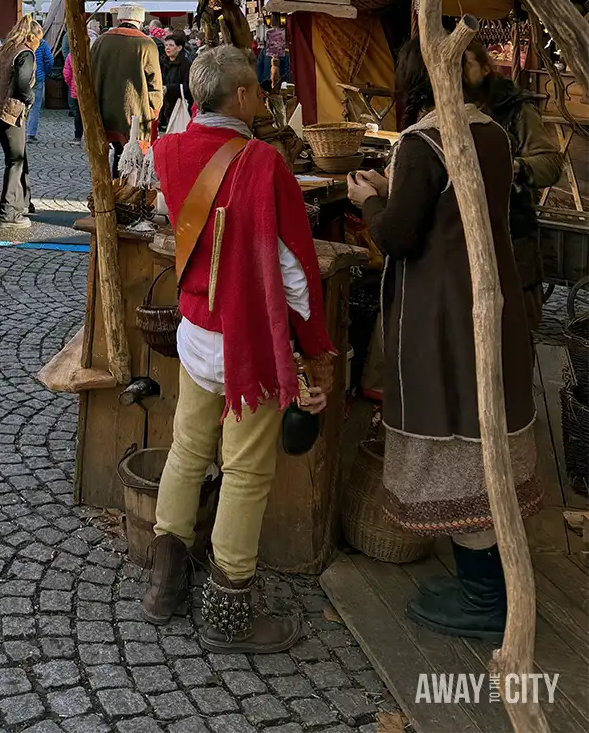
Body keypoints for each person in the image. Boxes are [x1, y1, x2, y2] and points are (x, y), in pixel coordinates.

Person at [346, 37, 542, 640]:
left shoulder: (427, 141)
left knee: (459, 435)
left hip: (448, 315)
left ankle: (485, 597)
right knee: (481, 438)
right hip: (490, 305)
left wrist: (370, 197)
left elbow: (401, 236)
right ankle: (485, 583)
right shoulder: (492, 133)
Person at [143, 46, 333, 652]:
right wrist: (318, 350)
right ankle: (229, 612)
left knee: (187, 449)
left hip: (195, 328)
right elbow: (296, 272)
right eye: (256, 90)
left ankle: (165, 583)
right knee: (247, 471)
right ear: (243, 97)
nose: (261, 97)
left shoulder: (167, 150)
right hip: (246, 342)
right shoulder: (262, 163)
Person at [463, 40, 563, 333]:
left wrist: (513, 166)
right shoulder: (436, 105)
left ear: (484, 67)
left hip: (511, 234)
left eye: (465, 64)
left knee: (512, 330)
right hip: (460, 241)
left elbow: (550, 164)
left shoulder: (514, 108)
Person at [0, 14, 43, 231]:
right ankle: (9, 214)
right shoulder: (25, 53)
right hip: (8, 113)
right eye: (39, 40)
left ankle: (24, 201)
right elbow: (22, 85)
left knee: (20, 155)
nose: (39, 45)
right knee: (15, 161)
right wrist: (31, 98)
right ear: (31, 37)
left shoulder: (2, 50)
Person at [90, 4, 164, 168]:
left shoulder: (101, 41)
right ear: (140, 21)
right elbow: (155, 84)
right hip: (135, 114)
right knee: (132, 164)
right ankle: (128, 190)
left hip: (102, 111)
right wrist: (154, 110)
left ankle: (109, 187)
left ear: (120, 19)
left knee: (107, 158)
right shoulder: (146, 44)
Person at [158, 31, 193, 131]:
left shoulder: (186, 65)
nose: (167, 48)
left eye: (171, 45)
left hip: (179, 105)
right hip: (163, 106)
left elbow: (188, 87)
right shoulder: (161, 62)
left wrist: (168, 89)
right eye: (166, 45)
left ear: (179, 48)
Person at [27, 28, 54, 143]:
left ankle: (16, 132)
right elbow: (49, 60)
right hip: (38, 77)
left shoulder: (24, 42)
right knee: (35, 107)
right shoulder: (42, 44)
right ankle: (30, 134)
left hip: (24, 78)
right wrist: (44, 72)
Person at [63, 49, 82, 143]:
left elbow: (67, 73)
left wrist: (71, 84)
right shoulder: (92, 52)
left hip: (76, 89)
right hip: (91, 89)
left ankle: (78, 137)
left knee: (78, 114)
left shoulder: (71, 55)